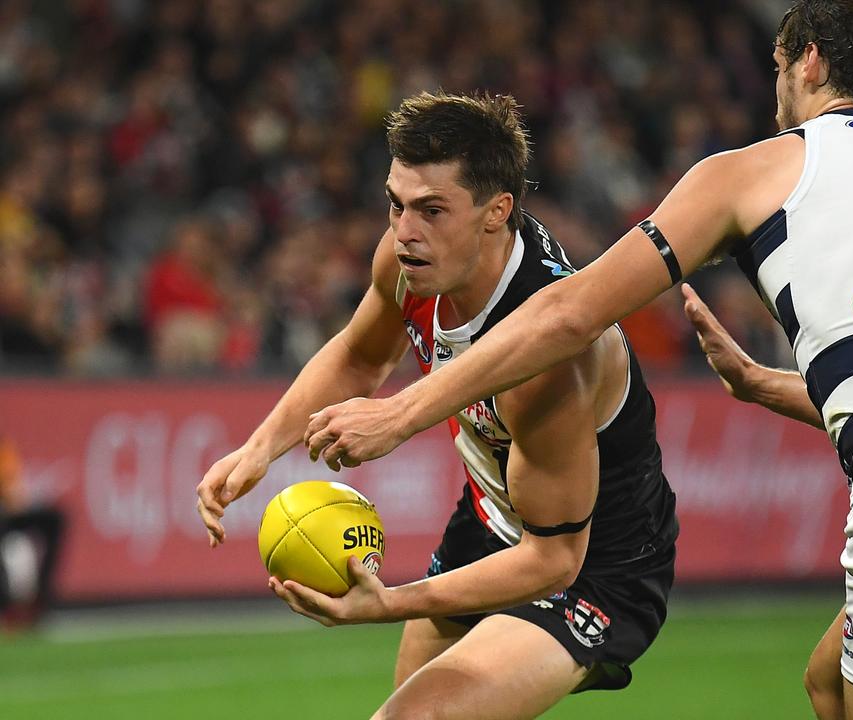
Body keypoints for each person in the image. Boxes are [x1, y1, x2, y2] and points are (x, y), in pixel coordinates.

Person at [300, 2, 853, 718]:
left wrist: (401, 411)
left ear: (809, 61)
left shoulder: (754, 169)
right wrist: (761, 384)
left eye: (780, 66)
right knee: (829, 686)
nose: (777, 84)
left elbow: (571, 312)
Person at [195, 91, 678, 720]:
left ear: (495, 212)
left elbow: (554, 559)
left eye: (431, 210)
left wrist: (389, 602)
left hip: (594, 568)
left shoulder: (550, 356)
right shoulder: (409, 263)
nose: (404, 233)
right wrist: (261, 447)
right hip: (487, 524)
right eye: (395, 205)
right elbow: (360, 358)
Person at [0, 436, 65, 629]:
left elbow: (14, 493)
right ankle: (7, 603)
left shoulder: (5, 450)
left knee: (54, 519)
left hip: (8, 512)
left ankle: (39, 599)